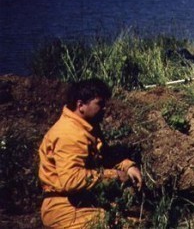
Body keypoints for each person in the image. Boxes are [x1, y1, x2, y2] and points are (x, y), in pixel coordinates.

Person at [38, 78, 143, 228]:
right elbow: (71, 180)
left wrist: (127, 166)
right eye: (100, 104)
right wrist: (114, 175)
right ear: (81, 105)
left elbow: (105, 156)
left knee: (135, 222)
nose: (105, 108)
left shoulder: (87, 126)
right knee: (111, 224)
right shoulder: (69, 134)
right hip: (63, 207)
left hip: (82, 201)